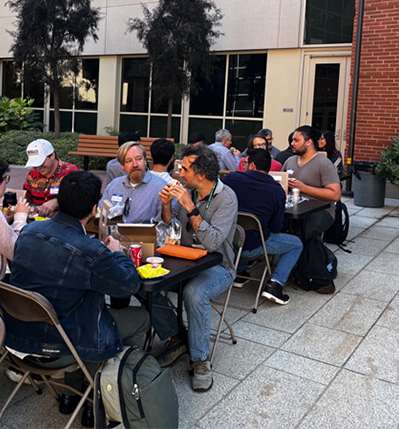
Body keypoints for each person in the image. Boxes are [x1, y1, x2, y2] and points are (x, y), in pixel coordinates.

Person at [7, 170, 150, 426]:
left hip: (18, 339)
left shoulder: (28, 233)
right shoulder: (91, 250)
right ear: (95, 208)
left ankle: (72, 394)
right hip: (63, 346)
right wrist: (115, 253)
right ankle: (103, 392)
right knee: (141, 317)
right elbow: (127, 285)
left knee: (73, 308)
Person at [157, 145, 238, 392]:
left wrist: (189, 206)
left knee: (194, 293)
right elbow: (170, 231)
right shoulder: (187, 191)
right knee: (141, 282)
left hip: (218, 265)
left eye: (184, 169)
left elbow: (213, 243)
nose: (179, 172)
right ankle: (176, 337)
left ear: (200, 174)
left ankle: (200, 360)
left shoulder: (226, 197)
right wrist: (167, 206)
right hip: (183, 258)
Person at [223, 149, 303, 305]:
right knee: (296, 244)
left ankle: (239, 272)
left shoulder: (231, 179)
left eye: (245, 163)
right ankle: (275, 284)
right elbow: (276, 227)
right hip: (254, 244)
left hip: (227, 240)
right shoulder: (277, 190)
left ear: (251, 165)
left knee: (243, 231)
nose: (244, 165)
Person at [283, 125, 341, 239]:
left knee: (303, 233)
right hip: (293, 208)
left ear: (308, 142)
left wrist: (303, 188)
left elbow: (335, 195)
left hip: (320, 210)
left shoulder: (324, 164)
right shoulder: (290, 161)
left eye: (296, 140)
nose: (292, 143)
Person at [100, 141, 166, 223]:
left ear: (145, 160)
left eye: (139, 159)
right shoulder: (114, 186)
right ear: (122, 165)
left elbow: (167, 224)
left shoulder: (161, 187)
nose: (135, 165)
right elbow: (100, 213)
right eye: (129, 161)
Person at [23, 139, 78, 217]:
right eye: (34, 164)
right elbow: (26, 196)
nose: (38, 167)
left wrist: (57, 202)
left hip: (64, 222)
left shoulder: (72, 172)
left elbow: (81, 199)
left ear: (52, 155)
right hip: (37, 221)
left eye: (41, 162)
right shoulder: (32, 174)